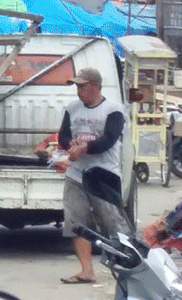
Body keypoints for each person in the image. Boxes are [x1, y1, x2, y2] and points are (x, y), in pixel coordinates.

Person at [58, 67, 129, 284]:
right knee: (76, 222)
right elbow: (63, 135)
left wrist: (85, 148)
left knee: (112, 223)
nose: (78, 91)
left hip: (103, 174)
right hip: (77, 173)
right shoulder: (72, 108)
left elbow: (109, 139)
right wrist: (70, 144)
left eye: (82, 86)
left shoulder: (113, 109)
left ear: (95, 86)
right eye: (77, 87)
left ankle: (128, 267)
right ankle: (86, 270)